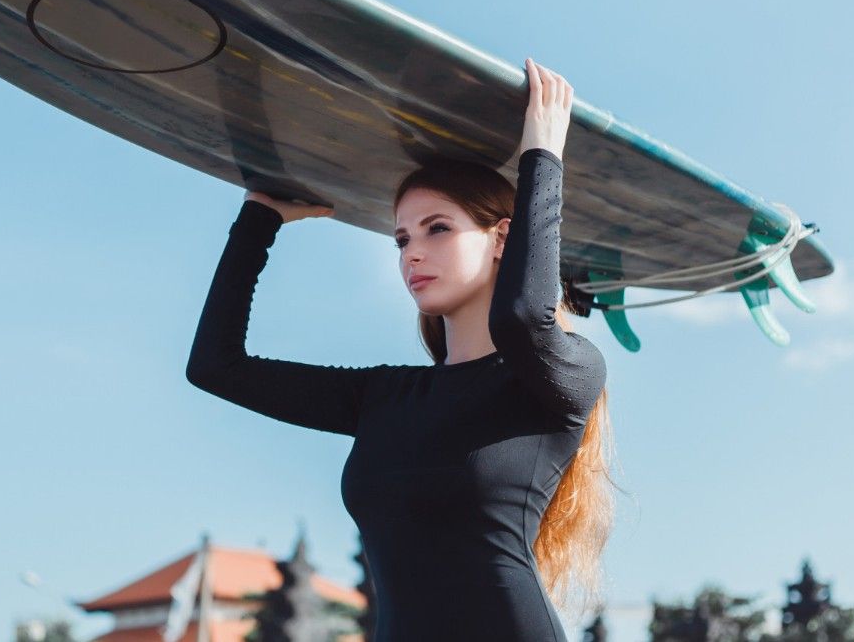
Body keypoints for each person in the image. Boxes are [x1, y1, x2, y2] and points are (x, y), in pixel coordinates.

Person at [187, 58, 617, 641]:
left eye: (438, 228)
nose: (412, 253)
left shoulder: (561, 374)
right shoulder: (381, 396)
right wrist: (259, 218)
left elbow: (521, 318)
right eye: (402, 238)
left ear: (502, 238)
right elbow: (215, 367)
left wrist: (541, 154)